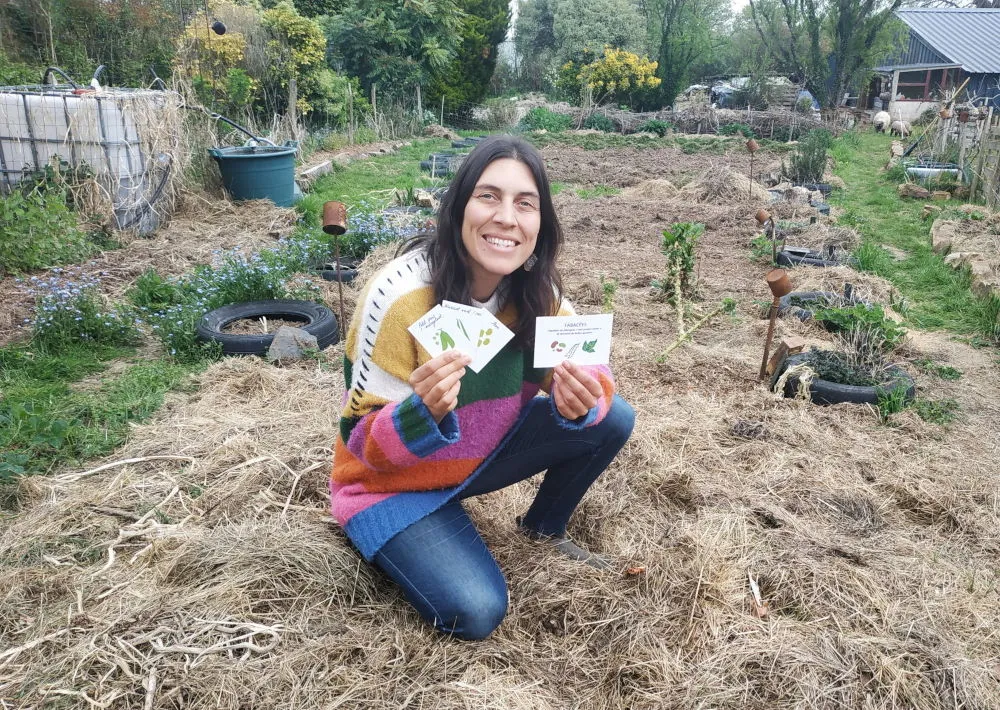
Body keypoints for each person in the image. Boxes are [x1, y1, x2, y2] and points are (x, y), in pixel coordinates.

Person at [330, 135, 635, 641]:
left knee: (614, 415)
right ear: (458, 208)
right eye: (488, 196)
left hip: (478, 456)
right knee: (476, 610)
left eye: (525, 203)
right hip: (390, 485)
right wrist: (419, 414)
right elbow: (361, 445)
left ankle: (544, 528)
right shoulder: (399, 295)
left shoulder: (538, 294)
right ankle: (414, 532)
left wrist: (582, 397)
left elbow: (595, 372)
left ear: (542, 224)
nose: (506, 218)